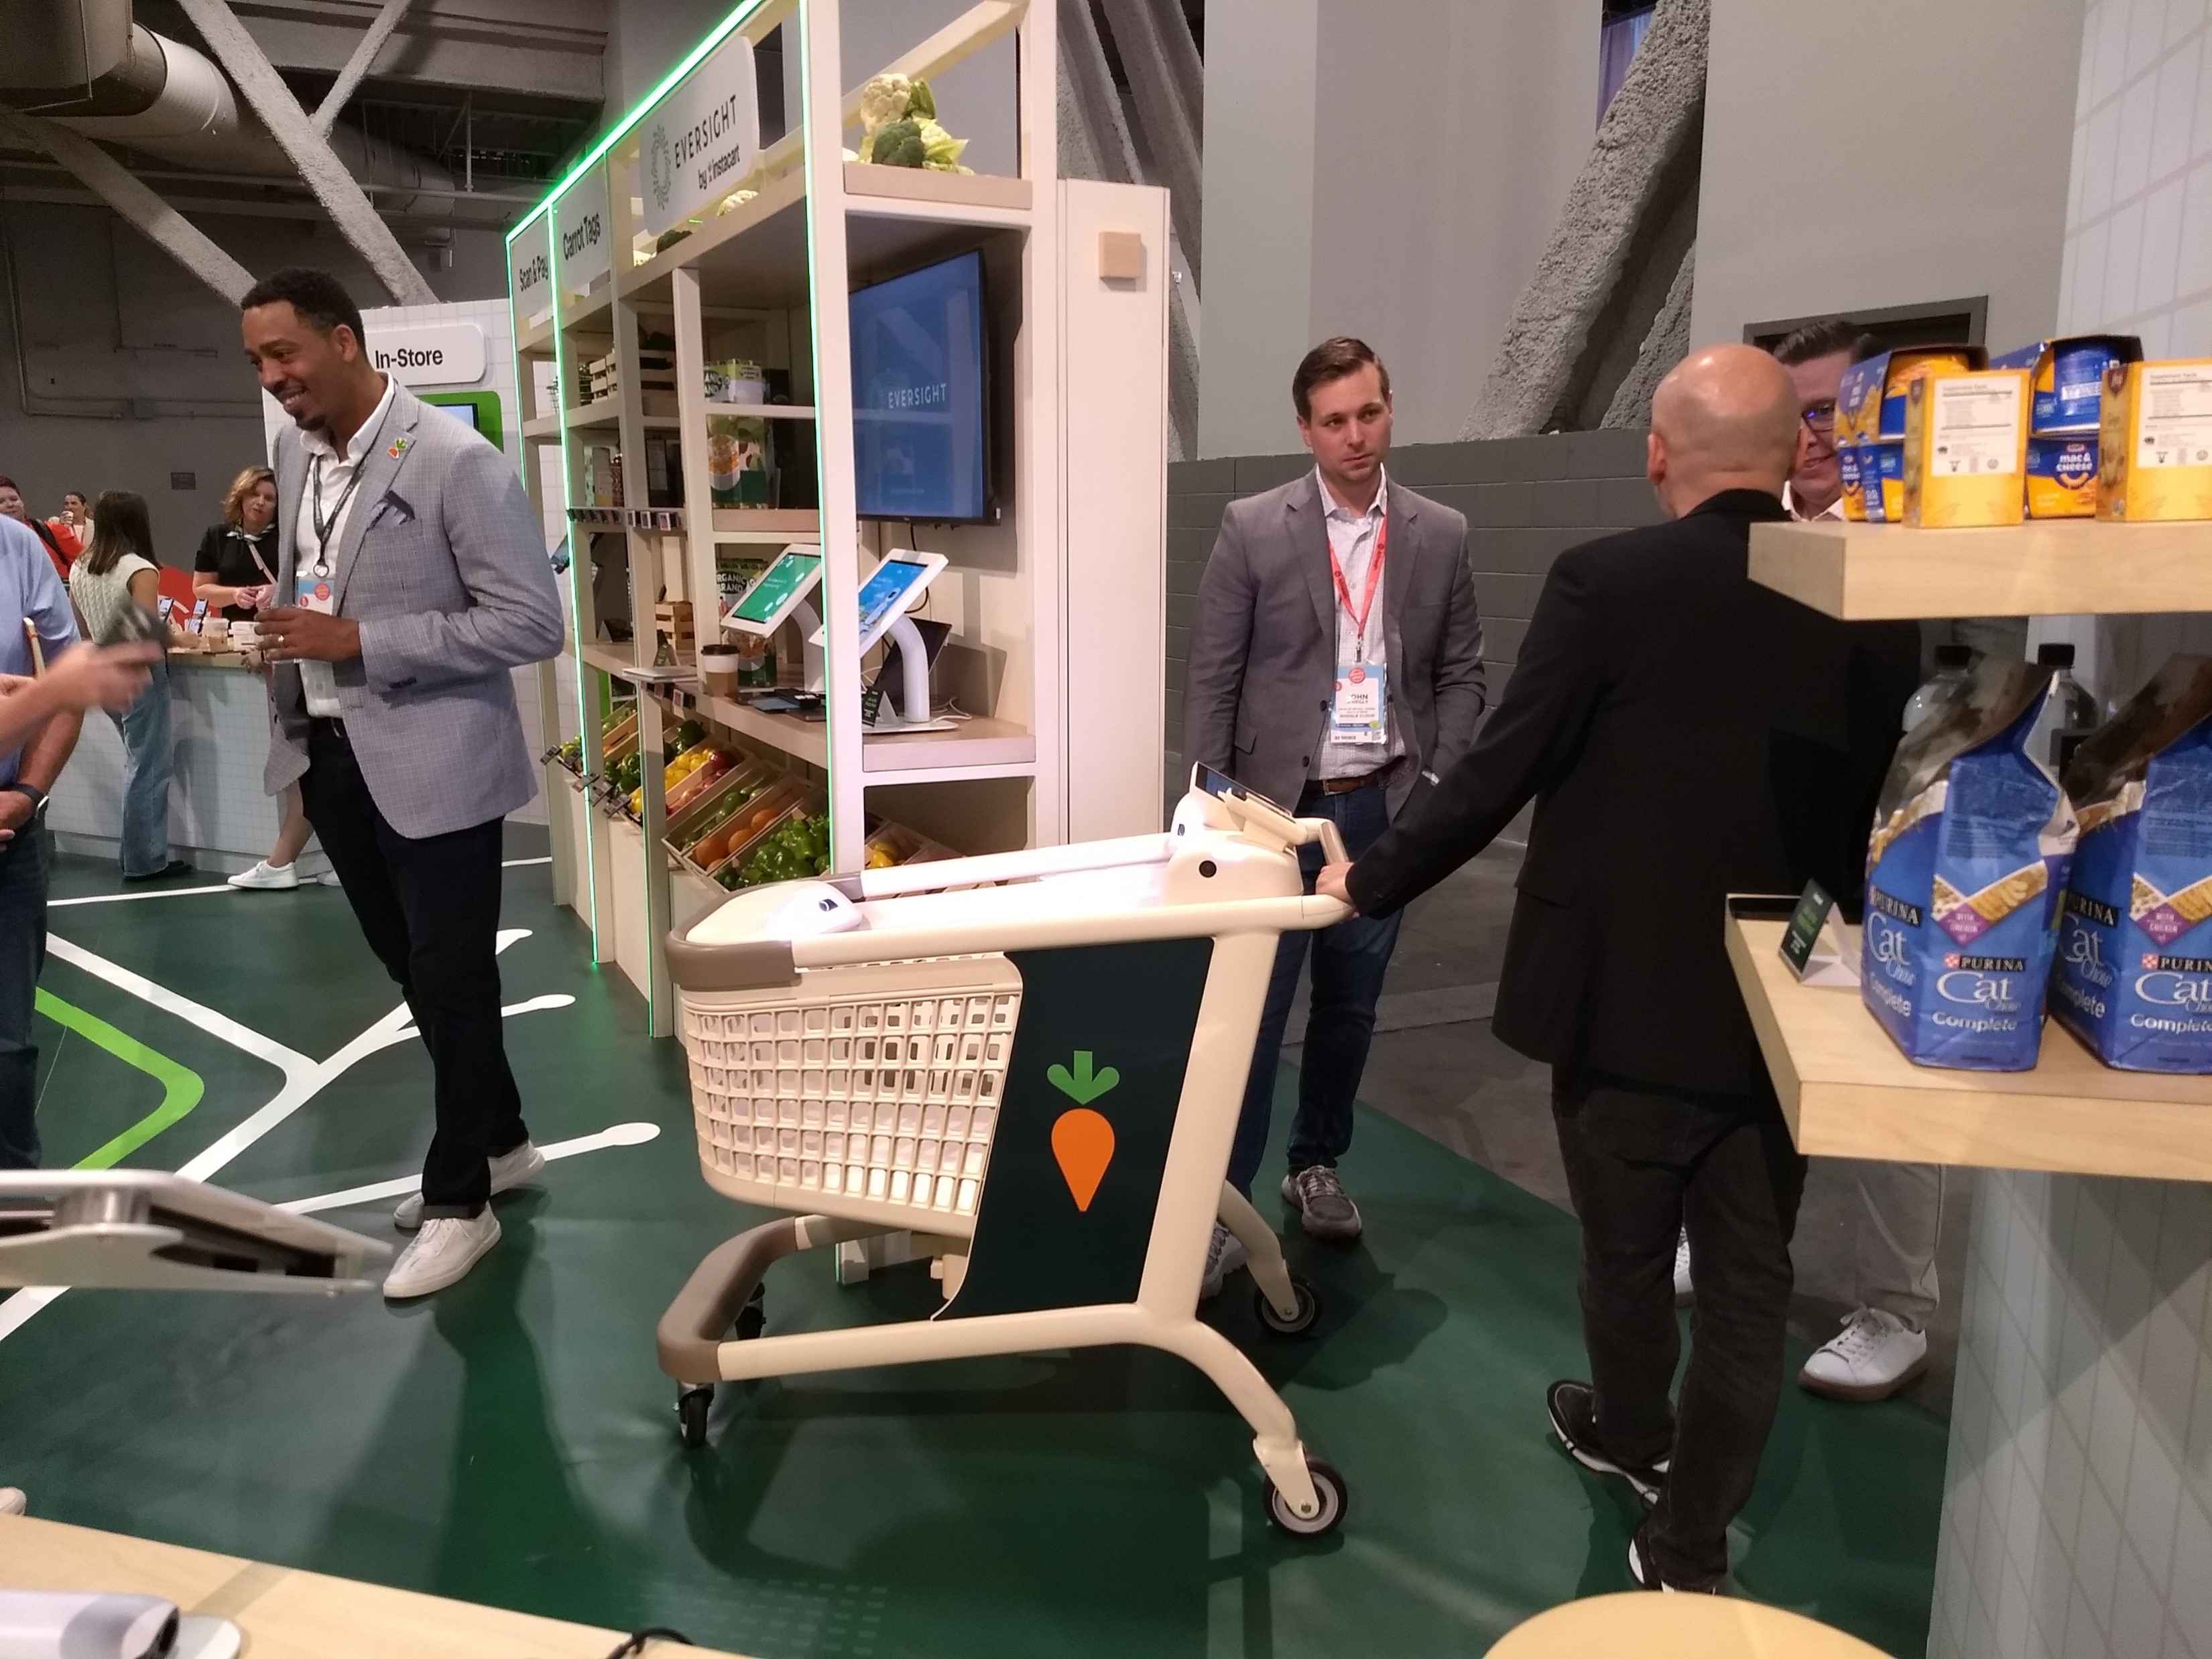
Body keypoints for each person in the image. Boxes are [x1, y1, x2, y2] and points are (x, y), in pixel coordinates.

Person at [1319, 346, 1920, 1593]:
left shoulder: (1608, 581)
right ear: (1788, 451)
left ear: (1659, 455)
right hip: (1783, 1006)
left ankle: (1632, 1433)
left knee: (1627, 1253)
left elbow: (1501, 770)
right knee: (1754, 1281)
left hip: (1621, 1002)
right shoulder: (1875, 595)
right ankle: (1689, 1543)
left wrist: (1367, 879)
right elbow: (1885, 814)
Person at [242, 267, 564, 1300]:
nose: (274, 377)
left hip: (440, 767)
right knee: (416, 972)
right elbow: (317, 576)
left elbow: (529, 622)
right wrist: (282, 623)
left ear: (344, 340)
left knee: (455, 977)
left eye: (285, 353)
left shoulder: (455, 459)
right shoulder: (295, 454)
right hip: (331, 759)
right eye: (257, 361)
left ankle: (461, 1198)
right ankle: (505, 1138)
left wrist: (360, 638)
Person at [1183, 336, 1487, 1289]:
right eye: (1334, 420)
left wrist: (1432, 787)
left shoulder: (1440, 532)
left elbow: (1463, 672)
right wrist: (1211, 808)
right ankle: (1221, 1200)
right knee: (1253, 1011)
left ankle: (1315, 1165)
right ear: (1305, 428)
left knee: (1351, 1008)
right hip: (1275, 818)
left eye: (1369, 413)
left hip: (1380, 813)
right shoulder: (1252, 525)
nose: (1355, 435)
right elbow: (1215, 676)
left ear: (1389, 411)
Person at [194, 467, 323, 894]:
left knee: (309, 752)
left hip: (288, 646)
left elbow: (311, 584)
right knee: (305, 753)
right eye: (255, 495)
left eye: (269, 497)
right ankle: (296, 858)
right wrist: (234, 596)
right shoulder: (217, 537)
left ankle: (295, 858)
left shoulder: (291, 537)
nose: (261, 503)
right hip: (246, 640)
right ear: (240, 496)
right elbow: (201, 588)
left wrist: (275, 593)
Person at [68, 492, 188, 881]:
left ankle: (133, 853)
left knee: (138, 763)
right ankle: (145, 860)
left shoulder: (80, 567)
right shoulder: (140, 569)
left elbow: (83, 629)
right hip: (141, 676)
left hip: (105, 674)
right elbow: (146, 629)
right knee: (150, 768)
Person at [1771, 320, 1871, 523]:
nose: (1804, 439)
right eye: (1787, 414)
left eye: (1824, 411)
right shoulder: (1741, 524)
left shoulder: (1926, 526)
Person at [0, 479, 73, 581]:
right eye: (1, 502)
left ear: (22, 502)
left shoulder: (51, 531)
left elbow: (86, 564)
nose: (10, 504)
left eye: (14, 499)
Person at [50, 492, 91, 558]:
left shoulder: (94, 527)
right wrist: (60, 527)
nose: (69, 507)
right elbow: (50, 548)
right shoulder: (54, 523)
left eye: (74, 503)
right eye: (66, 504)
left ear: (84, 506)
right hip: (65, 565)